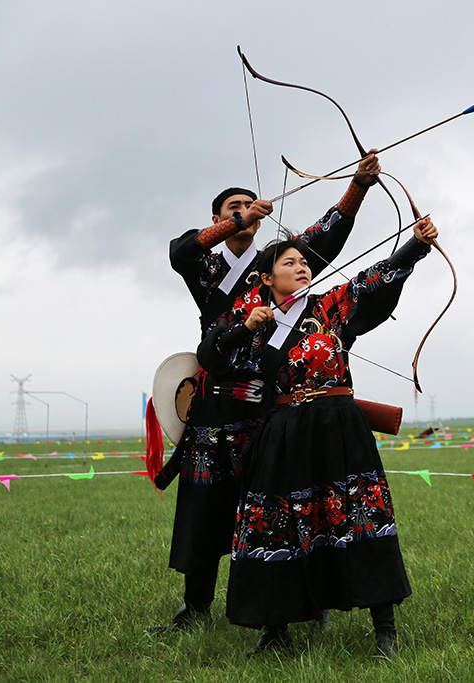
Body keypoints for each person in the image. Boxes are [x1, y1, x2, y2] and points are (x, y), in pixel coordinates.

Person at [150, 151, 382, 635]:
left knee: (286, 507)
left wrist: (358, 184)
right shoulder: (207, 269)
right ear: (217, 219)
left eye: (250, 206)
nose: (244, 212)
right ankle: (194, 609)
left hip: (269, 406)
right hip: (215, 409)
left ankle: (297, 607)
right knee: (204, 510)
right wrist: (241, 218)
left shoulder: (273, 264)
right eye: (233, 208)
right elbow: (179, 251)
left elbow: (327, 235)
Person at [197, 216, 439, 658]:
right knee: (276, 526)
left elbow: (373, 280)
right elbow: (211, 356)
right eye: (290, 263)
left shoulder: (331, 305)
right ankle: (275, 628)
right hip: (284, 431)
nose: (302, 267)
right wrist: (247, 327)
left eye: (305, 262)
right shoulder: (254, 320)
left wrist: (415, 246)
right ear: (267, 278)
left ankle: (384, 628)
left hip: (338, 425)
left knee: (359, 516)